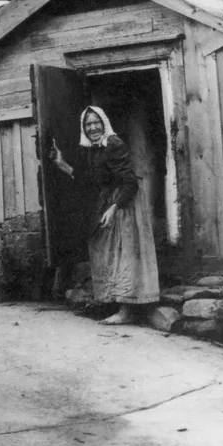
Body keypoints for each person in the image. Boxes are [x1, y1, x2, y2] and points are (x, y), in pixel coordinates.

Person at [48, 106, 159, 324]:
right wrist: (60, 163)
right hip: (108, 200)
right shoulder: (91, 149)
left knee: (124, 251)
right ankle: (113, 302)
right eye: (88, 124)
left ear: (104, 123)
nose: (92, 127)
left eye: (96, 122)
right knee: (102, 246)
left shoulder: (114, 144)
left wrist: (114, 207)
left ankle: (127, 310)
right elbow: (88, 179)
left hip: (125, 202)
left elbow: (130, 181)